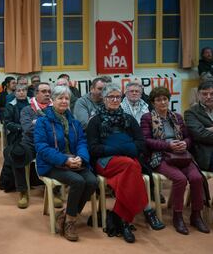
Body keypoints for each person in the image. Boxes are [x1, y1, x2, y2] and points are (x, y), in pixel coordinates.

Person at [87, 83, 159, 243]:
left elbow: (141, 143)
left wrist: (120, 148)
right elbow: (93, 148)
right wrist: (121, 148)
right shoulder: (95, 121)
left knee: (126, 176)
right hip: (104, 162)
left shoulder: (129, 119)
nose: (114, 100)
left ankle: (123, 221)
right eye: (110, 97)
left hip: (126, 164)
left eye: (117, 97)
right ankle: (147, 209)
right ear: (104, 99)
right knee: (132, 165)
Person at [141, 87, 210, 235]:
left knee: (197, 178)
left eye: (165, 99)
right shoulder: (147, 117)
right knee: (180, 179)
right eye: (158, 100)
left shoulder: (177, 117)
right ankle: (177, 217)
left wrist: (185, 143)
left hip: (181, 154)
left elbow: (189, 137)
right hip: (160, 156)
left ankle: (196, 216)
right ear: (153, 103)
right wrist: (168, 145)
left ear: (168, 100)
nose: (162, 102)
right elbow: (146, 141)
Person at [35, 85, 97, 242]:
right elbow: (42, 148)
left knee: (91, 181)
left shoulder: (74, 122)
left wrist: (81, 158)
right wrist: (65, 160)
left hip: (75, 161)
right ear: (52, 100)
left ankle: (65, 215)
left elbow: (82, 142)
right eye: (60, 98)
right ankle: (70, 221)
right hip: (51, 164)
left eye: (66, 98)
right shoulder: (43, 121)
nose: (64, 101)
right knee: (77, 181)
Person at [2, 84, 30, 208]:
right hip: (17, 137)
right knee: (17, 155)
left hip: (33, 137)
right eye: (18, 91)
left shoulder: (33, 104)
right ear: (15, 93)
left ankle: (51, 189)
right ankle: (22, 191)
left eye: (24, 90)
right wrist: (21, 128)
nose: (21, 93)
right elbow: (7, 123)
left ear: (27, 92)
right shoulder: (10, 105)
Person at [184, 81, 213, 171]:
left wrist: (208, 129)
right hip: (207, 153)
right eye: (205, 94)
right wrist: (205, 131)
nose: (208, 97)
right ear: (198, 95)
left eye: (212, 94)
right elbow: (201, 135)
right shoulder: (191, 113)